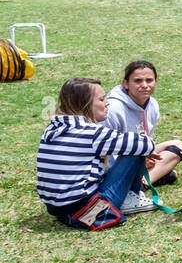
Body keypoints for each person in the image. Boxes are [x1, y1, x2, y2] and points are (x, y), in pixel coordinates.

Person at [37, 78, 158, 228]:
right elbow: (146, 144)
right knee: (135, 150)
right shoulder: (91, 133)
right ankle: (130, 197)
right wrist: (146, 148)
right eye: (102, 99)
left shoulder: (52, 129)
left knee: (122, 149)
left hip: (56, 207)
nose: (107, 103)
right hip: (88, 208)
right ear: (85, 103)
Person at [104, 60, 182, 187]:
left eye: (149, 80)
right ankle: (136, 183)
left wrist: (146, 156)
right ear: (126, 84)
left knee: (177, 145)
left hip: (138, 155)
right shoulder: (113, 108)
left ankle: (142, 184)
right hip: (116, 162)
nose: (144, 85)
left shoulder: (152, 104)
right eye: (138, 81)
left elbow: (148, 140)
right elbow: (104, 151)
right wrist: (139, 159)